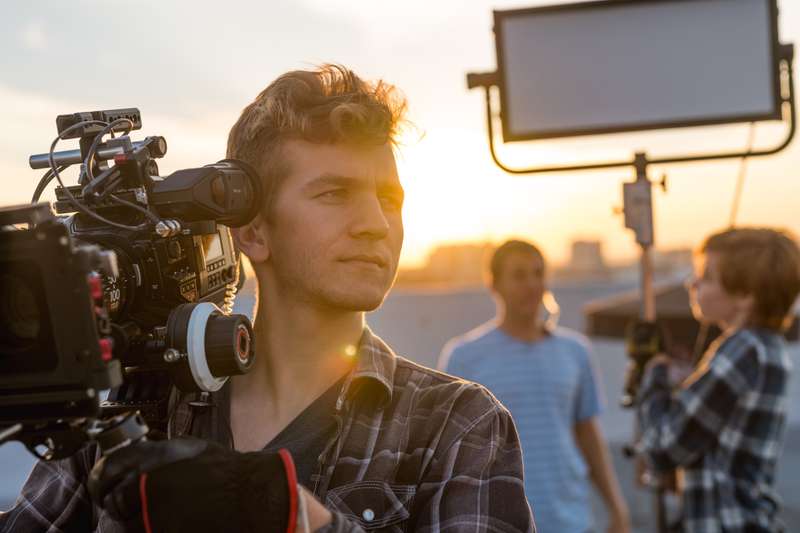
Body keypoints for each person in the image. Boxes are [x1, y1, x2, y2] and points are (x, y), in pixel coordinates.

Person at [0, 65, 534, 532]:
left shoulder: (456, 424)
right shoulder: (139, 400)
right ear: (252, 231)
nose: (376, 224)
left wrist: (285, 514)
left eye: (389, 199)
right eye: (334, 193)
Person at [439, 239, 630, 533]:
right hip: (497, 522)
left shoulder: (575, 351)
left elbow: (588, 435)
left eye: (538, 273)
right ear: (494, 285)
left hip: (571, 520)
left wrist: (617, 508)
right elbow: (449, 451)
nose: (531, 284)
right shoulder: (464, 356)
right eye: (518, 275)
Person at [637, 228, 800, 532]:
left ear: (746, 295)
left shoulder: (744, 350)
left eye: (707, 276)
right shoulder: (768, 348)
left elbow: (663, 449)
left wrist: (656, 376)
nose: (692, 282)